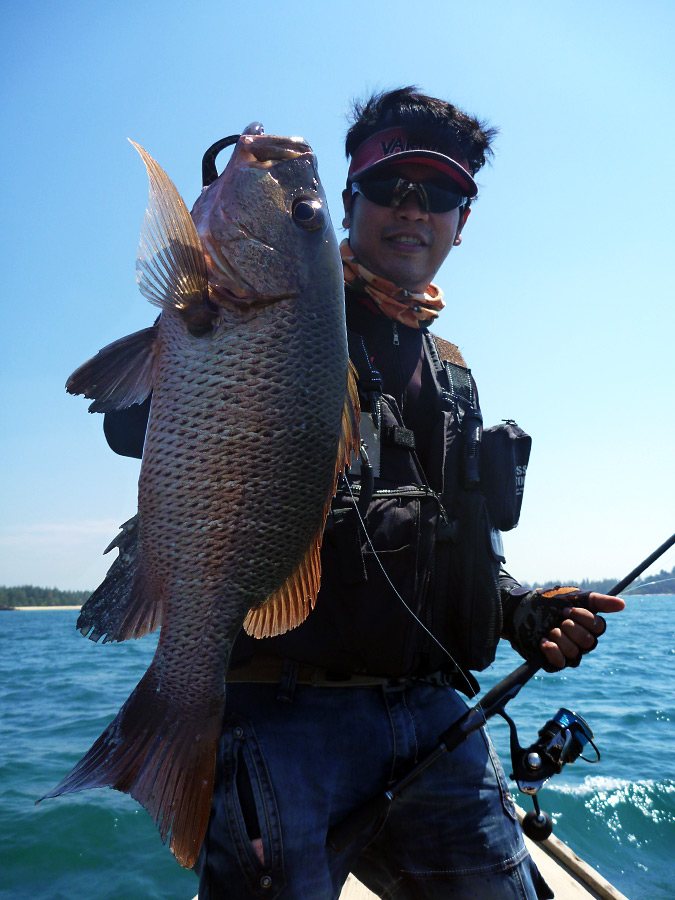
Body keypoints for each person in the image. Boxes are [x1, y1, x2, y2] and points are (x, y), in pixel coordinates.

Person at [104, 87, 624, 899]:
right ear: (348, 203)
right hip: (281, 716)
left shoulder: (450, 371)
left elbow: (459, 546)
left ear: (462, 220)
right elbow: (130, 423)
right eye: (389, 187)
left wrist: (519, 609)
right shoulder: (279, 304)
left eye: (441, 194)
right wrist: (197, 306)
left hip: (434, 722)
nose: (413, 211)